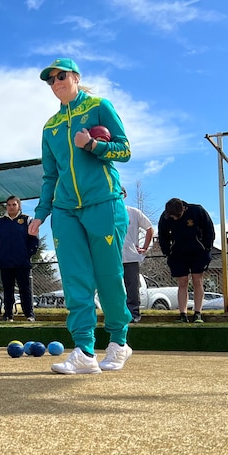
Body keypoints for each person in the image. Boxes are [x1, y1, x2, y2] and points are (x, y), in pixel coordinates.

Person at [27, 58, 133, 375]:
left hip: (104, 203)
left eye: (61, 76)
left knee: (108, 278)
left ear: (75, 77)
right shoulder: (51, 127)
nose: (56, 82)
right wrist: (40, 213)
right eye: (50, 80)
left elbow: (124, 150)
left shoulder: (100, 106)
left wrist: (94, 144)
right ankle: (85, 351)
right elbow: (50, 176)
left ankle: (119, 342)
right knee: (75, 281)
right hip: (64, 210)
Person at [157, 198, 215, 323]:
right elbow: (162, 236)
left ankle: (197, 313)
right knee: (182, 282)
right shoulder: (165, 217)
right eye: (172, 217)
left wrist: (207, 247)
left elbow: (209, 229)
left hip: (198, 252)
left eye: (177, 216)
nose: (175, 219)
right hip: (177, 254)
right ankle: (183, 314)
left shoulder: (197, 210)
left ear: (183, 208)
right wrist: (167, 252)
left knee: (197, 280)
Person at [0, 196, 40, 322]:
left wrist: (27, 254)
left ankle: (29, 315)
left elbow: (34, 240)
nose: (11, 207)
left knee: (25, 289)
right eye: (9, 205)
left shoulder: (27, 220)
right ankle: (8, 315)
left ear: (19, 205)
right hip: (5, 263)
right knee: (8, 290)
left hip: (22, 262)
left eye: (14, 204)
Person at [121, 187, 154, 323]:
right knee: (114, 287)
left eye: (120, 193)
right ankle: (117, 314)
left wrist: (145, 247)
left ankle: (133, 314)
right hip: (111, 257)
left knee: (132, 287)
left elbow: (149, 228)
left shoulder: (134, 212)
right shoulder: (106, 212)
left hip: (130, 257)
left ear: (125, 195)